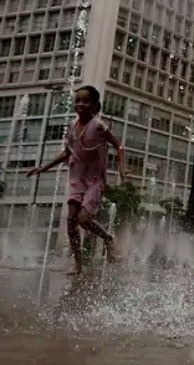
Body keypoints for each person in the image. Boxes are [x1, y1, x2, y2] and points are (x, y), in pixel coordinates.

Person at [27, 85, 128, 275]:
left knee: (83, 219)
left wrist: (122, 166)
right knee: (71, 221)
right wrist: (42, 168)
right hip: (76, 178)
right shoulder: (72, 126)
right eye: (78, 100)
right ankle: (77, 263)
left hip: (94, 181)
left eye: (86, 101)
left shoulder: (98, 126)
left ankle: (108, 238)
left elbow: (119, 146)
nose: (80, 104)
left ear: (95, 105)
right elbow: (66, 153)